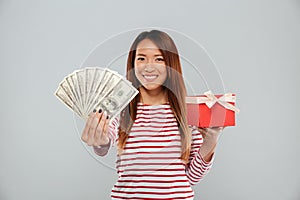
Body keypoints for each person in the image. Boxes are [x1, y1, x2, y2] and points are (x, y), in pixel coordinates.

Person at [81, 30, 224, 199]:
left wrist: (211, 140)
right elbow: (104, 144)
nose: (149, 66)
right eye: (141, 58)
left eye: (159, 59)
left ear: (171, 65)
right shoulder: (121, 110)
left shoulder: (188, 112)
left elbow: (191, 178)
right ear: (133, 64)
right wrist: (99, 140)